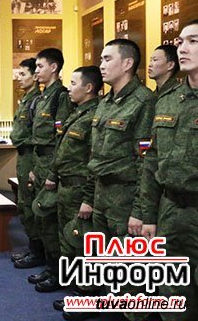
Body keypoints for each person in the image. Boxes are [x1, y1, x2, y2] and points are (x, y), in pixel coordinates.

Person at [65, 39, 156, 321]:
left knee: (129, 270)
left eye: (107, 59)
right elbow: (96, 156)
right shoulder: (105, 102)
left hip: (126, 197)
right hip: (102, 194)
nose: (101, 65)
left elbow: (146, 162)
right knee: (101, 260)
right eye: (101, 59)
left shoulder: (144, 102)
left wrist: (140, 211)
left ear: (127, 63)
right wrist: (89, 197)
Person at [141, 20, 198, 320]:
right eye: (180, 41)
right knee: (174, 297)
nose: (183, 48)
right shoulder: (168, 100)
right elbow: (152, 161)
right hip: (171, 212)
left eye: (193, 41)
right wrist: (148, 215)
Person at [45, 66, 102, 312]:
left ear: (88, 88)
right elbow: (63, 151)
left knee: (83, 244)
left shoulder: (94, 116)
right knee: (68, 239)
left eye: (73, 83)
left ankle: (86, 297)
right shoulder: (77, 113)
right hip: (67, 187)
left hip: (81, 189)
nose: (69, 88)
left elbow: (94, 160)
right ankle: (73, 287)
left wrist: (88, 197)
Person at [18, 49, 73, 295]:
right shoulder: (42, 97)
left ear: (53, 67)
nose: (37, 70)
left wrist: (53, 172)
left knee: (51, 220)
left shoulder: (60, 97)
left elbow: (60, 140)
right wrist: (35, 169)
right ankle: (50, 266)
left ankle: (57, 272)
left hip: (51, 166)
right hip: (39, 165)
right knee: (41, 217)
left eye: (40, 66)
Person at [9, 58, 41, 263]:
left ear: (35, 76)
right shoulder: (27, 99)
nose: (18, 78)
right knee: (24, 204)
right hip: (23, 157)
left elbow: (40, 136)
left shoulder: (38, 101)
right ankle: (32, 247)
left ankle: (38, 252)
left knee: (31, 206)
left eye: (23, 74)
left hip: (31, 157)